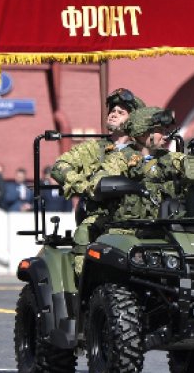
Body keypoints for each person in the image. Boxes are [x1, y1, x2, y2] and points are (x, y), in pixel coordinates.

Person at [50, 87, 144, 276]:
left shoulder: (143, 151)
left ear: (133, 119)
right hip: (100, 219)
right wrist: (84, 186)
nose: (113, 115)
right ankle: (83, 293)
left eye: (121, 112)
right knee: (84, 235)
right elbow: (59, 166)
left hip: (138, 220)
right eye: (112, 111)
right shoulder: (93, 149)